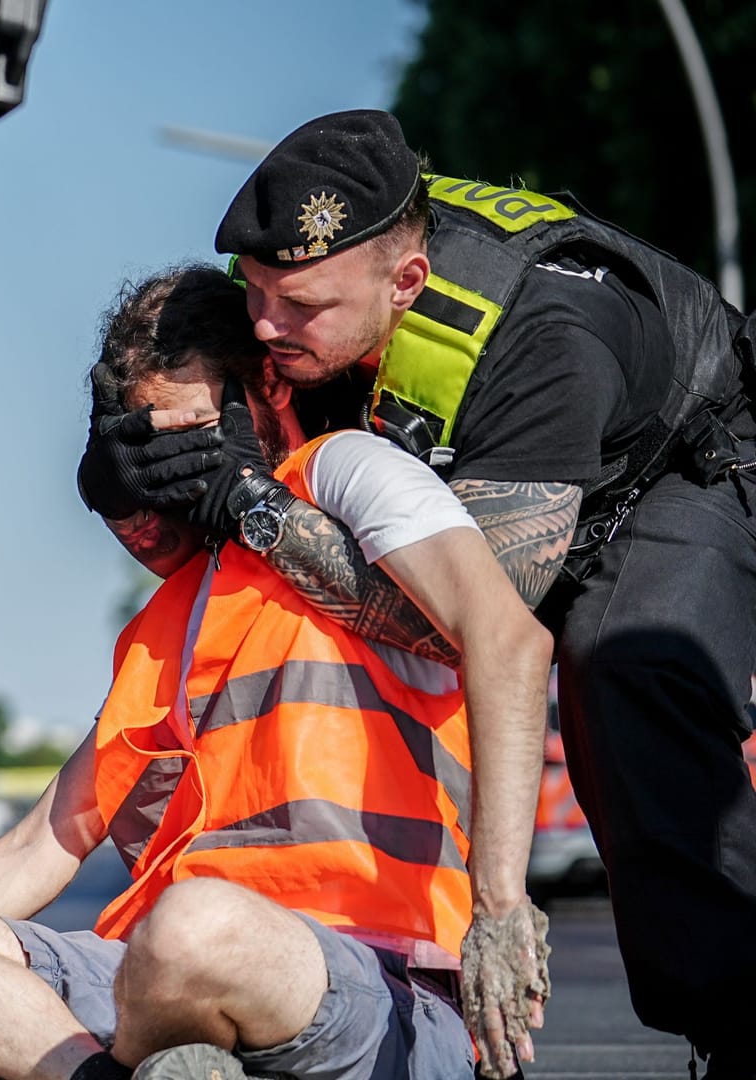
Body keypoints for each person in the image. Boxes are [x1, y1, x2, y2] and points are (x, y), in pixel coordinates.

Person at [92, 109, 756, 1077]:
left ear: (404, 281)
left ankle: (737, 1019)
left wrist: (247, 502)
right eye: (258, 292)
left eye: (300, 307)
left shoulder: (545, 339)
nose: (267, 327)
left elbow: (454, 630)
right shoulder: (309, 302)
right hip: (506, 483)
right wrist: (124, 473)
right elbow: (209, 527)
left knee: (621, 671)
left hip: (677, 470)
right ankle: (303, 967)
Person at [0, 265, 553, 1080]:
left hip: (378, 983)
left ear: (266, 387)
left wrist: (500, 912)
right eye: (153, 440)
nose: (179, 464)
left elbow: (509, 639)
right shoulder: (177, 614)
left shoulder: (345, 473)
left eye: (196, 428)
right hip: (157, 984)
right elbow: (42, 842)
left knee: (194, 929)